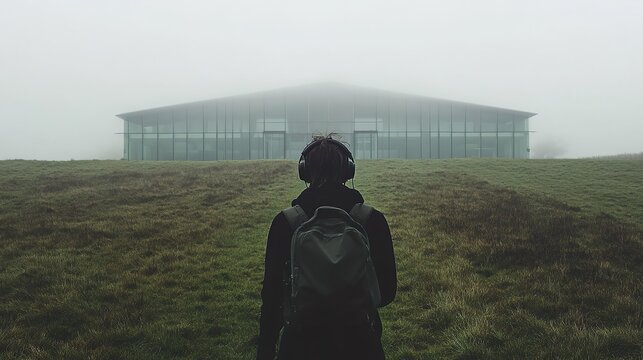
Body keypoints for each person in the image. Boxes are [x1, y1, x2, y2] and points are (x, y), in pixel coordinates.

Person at [257, 135, 397, 360]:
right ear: (348, 170)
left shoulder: (286, 222)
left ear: (304, 170)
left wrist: (265, 350)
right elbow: (387, 292)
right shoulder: (371, 219)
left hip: (300, 345)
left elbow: (272, 297)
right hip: (360, 343)